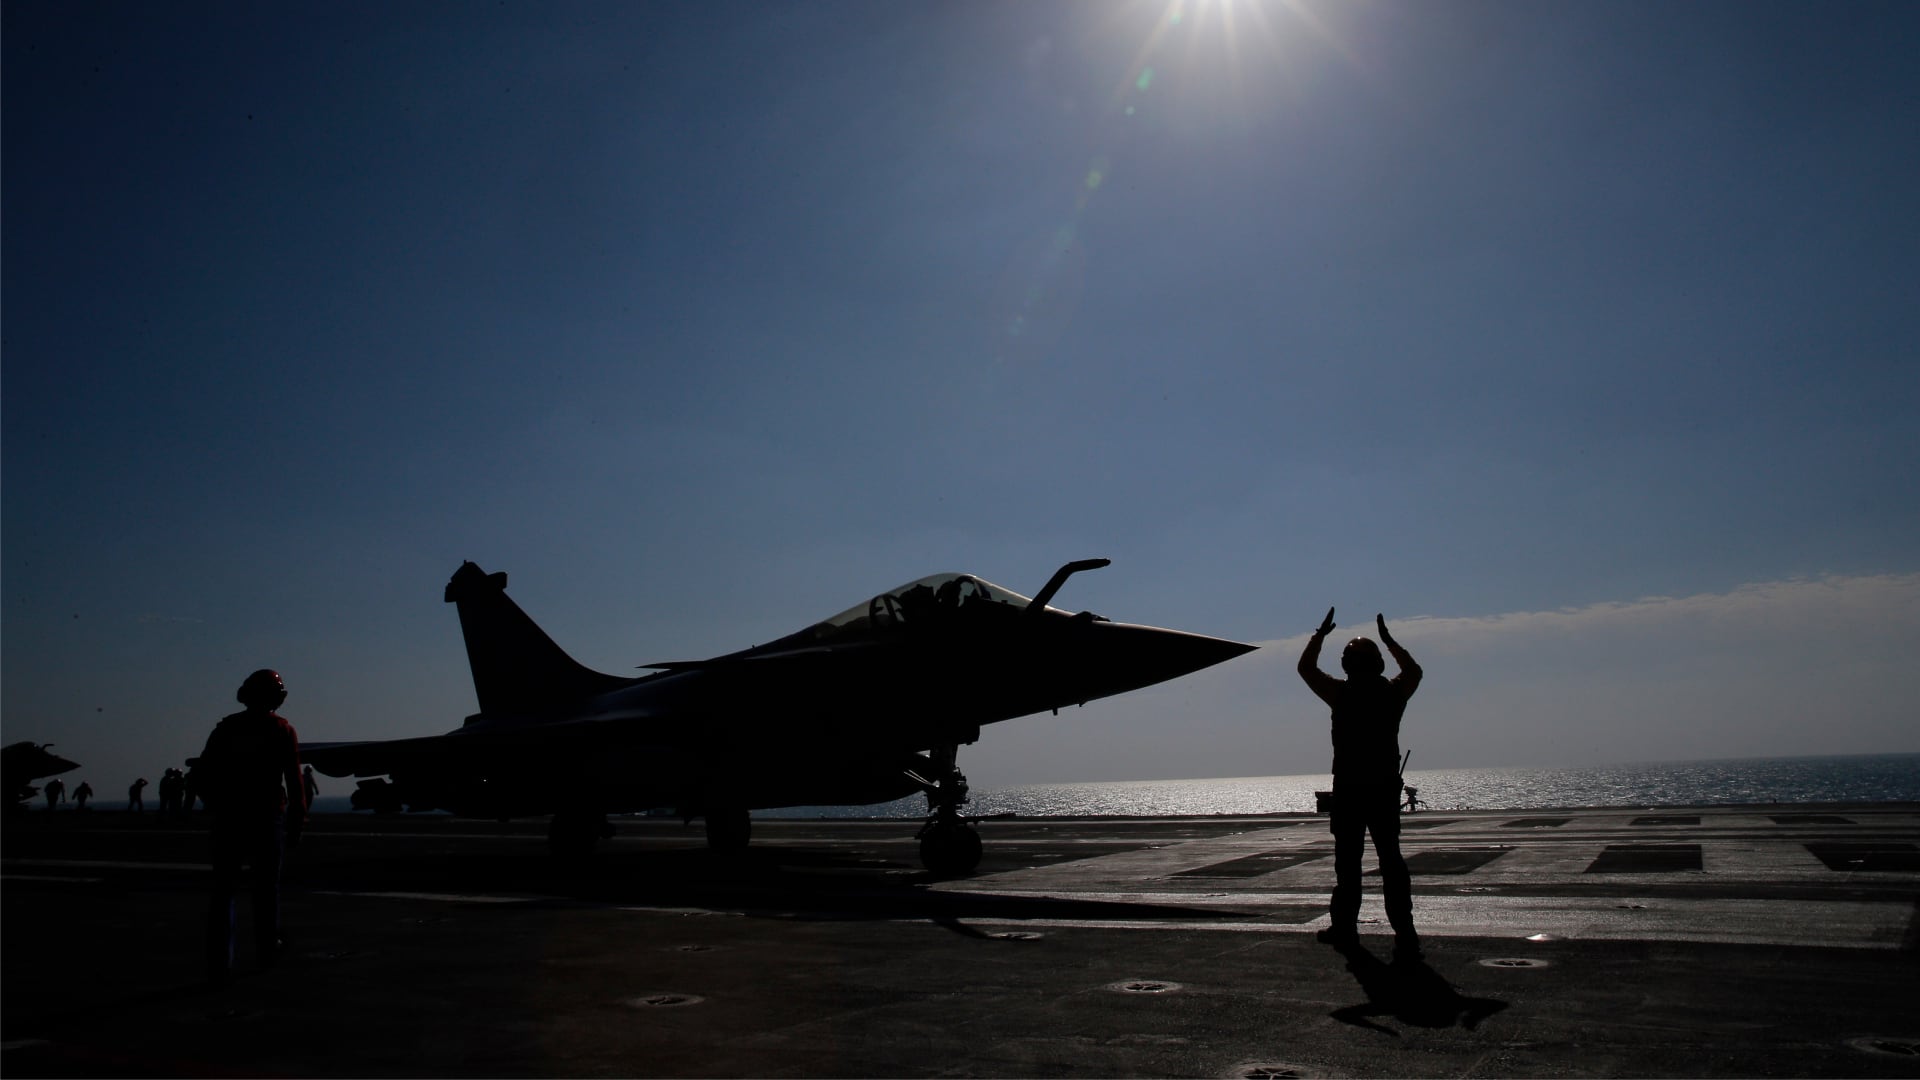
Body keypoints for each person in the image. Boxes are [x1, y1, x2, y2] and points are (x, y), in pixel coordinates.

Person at [1298, 608, 1424, 962]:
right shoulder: (1393, 693)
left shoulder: (1341, 694)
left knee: (1348, 865)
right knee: (1391, 863)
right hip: (1382, 789)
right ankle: (1405, 931)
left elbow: (1306, 669)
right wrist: (1391, 641)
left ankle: (1345, 928)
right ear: (1378, 663)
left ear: (1348, 665)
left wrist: (1319, 635)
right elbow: (1414, 671)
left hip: (1351, 790)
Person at [197, 669, 309, 986]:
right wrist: (298, 821)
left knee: (223, 891)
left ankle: (220, 959)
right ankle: (266, 952)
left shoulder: (227, 729)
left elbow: (204, 771)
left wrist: (216, 805)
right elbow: (293, 779)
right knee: (265, 889)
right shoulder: (281, 729)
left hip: (230, 818)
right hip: (266, 817)